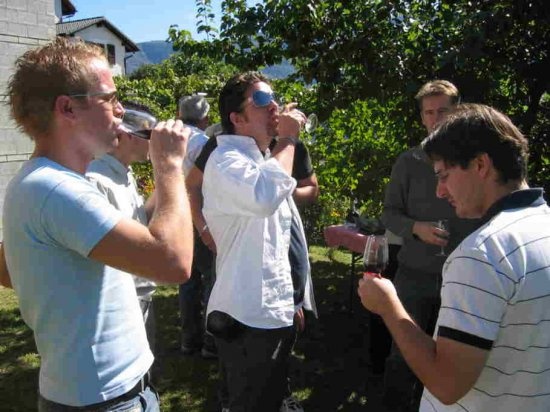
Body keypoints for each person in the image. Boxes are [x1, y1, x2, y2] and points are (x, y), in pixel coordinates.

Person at [2, 38, 193, 411]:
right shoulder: (56, 190)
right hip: (104, 402)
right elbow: (174, 263)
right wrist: (169, 164)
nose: (121, 111)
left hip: (100, 394)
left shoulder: (44, 183)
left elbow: (8, 269)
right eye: (109, 98)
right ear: (68, 108)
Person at [359, 103, 550, 411]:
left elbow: (447, 385)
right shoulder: (542, 226)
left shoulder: (483, 254)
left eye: (443, 175)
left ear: (480, 165)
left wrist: (388, 306)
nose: (440, 191)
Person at [201, 71, 316, 412]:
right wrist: (289, 139)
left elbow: (277, 243)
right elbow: (264, 196)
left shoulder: (262, 161)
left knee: (270, 400)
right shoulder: (225, 161)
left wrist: (292, 299)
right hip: (248, 318)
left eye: (274, 98)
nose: (274, 106)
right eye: (262, 100)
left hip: (272, 311)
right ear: (236, 118)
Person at [380, 80, 479, 411]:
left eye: (443, 111)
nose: (436, 119)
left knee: (453, 359)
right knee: (402, 354)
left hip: (463, 276)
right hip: (415, 274)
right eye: (429, 113)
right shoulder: (408, 162)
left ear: (457, 112)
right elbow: (389, 214)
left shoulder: (475, 162)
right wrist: (415, 228)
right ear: (422, 117)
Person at [86, 102, 158, 352]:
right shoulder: (97, 181)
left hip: (140, 294)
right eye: (149, 134)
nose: (153, 142)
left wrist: (167, 177)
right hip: (122, 302)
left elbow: (138, 221)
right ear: (127, 135)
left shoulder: (123, 174)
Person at [176, 94, 218, 358]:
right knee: (211, 277)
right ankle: (210, 342)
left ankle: (189, 340)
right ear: (205, 118)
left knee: (187, 280)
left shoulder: (172, 138)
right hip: (200, 215)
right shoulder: (203, 143)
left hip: (177, 214)